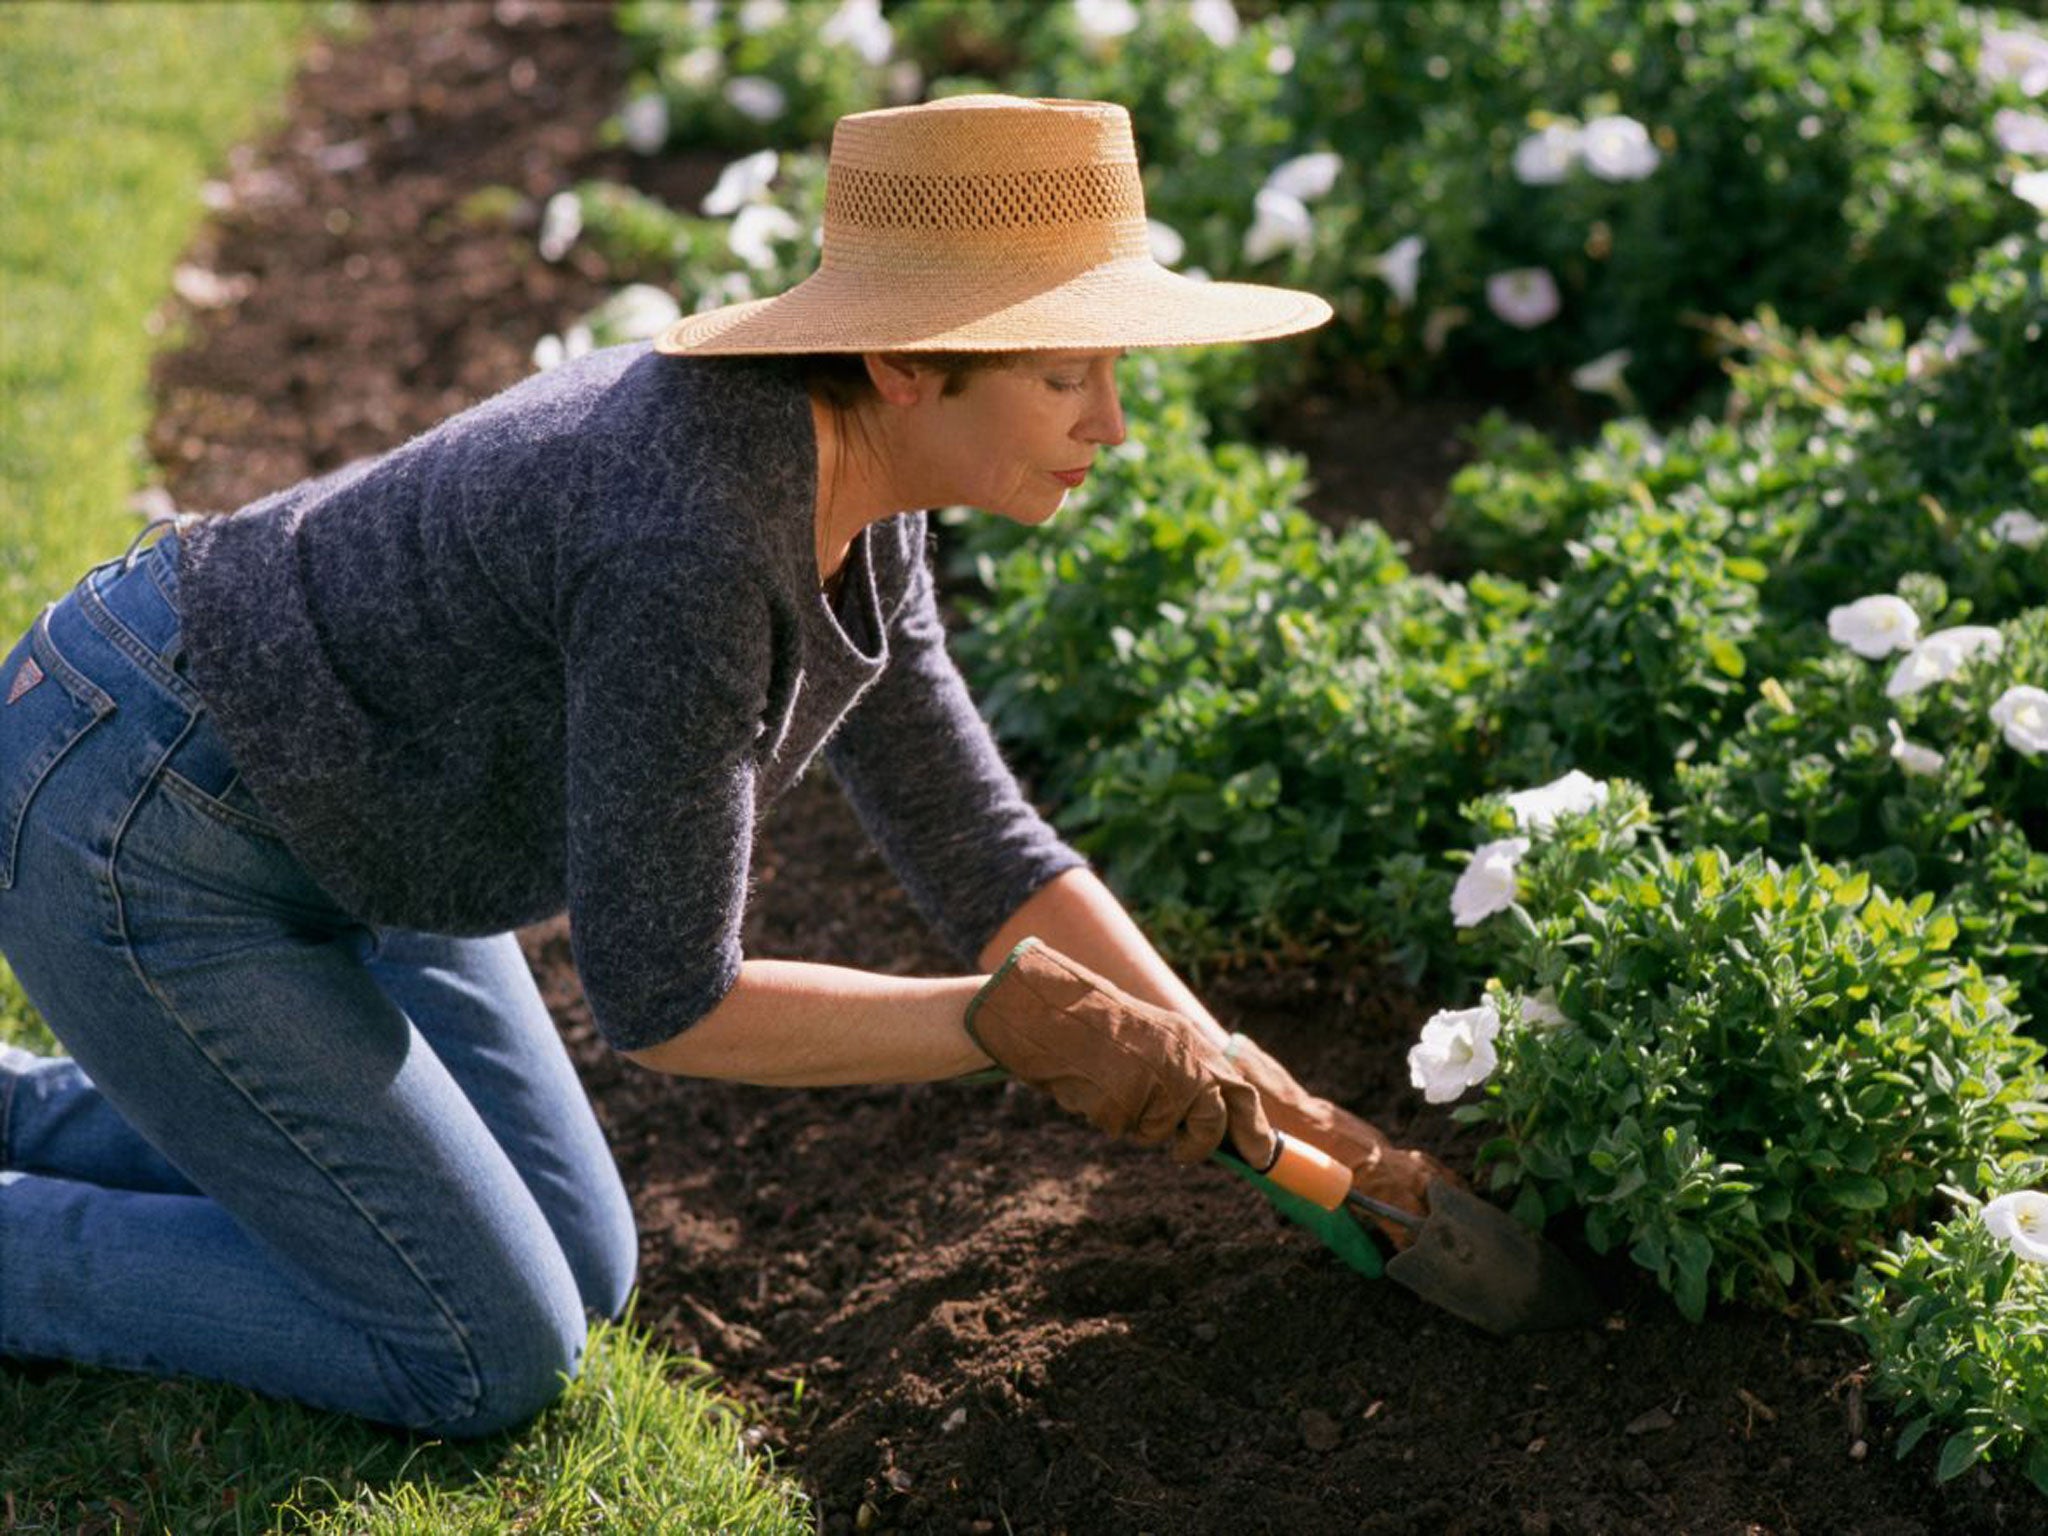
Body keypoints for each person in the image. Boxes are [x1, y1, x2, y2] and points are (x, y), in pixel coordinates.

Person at [0, 94, 1448, 1438]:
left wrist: (1251, 1076)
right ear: (902, 365)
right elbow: (670, 1001)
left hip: (356, 818)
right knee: (484, 1345)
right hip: (146, 811)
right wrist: (1004, 1025)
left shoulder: (868, 489)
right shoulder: (692, 545)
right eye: (1067, 373)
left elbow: (982, 847)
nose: (1112, 422)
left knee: (580, 1260)